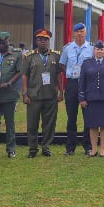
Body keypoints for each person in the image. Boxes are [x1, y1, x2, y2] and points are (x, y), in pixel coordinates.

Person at [20, 29, 63, 158]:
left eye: (45, 39)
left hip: (51, 95)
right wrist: (24, 94)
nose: (43, 42)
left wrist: (61, 92)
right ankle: (32, 148)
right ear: (36, 41)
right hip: (34, 96)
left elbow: (59, 75)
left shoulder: (56, 56)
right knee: (32, 124)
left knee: (49, 123)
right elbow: (24, 76)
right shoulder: (29, 56)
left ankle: (46, 147)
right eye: (40, 39)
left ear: (49, 41)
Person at [80, 40, 104, 157]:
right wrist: (82, 98)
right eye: (97, 49)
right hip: (91, 98)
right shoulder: (87, 63)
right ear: (94, 50)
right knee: (92, 125)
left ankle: (102, 149)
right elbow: (82, 81)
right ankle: (93, 149)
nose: (99, 51)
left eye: (102, 49)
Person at [60, 22, 92, 156]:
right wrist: (70, 73)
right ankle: (70, 147)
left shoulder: (91, 48)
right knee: (71, 117)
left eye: (82, 31)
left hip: (86, 84)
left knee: (88, 116)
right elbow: (62, 64)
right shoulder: (67, 48)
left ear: (86, 32)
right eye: (77, 31)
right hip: (72, 84)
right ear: (74, 33)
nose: (80, 34)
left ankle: (88, 146)